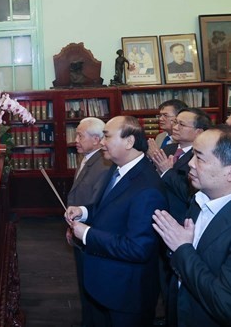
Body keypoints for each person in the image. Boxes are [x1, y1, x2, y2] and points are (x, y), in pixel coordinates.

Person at [152, 126, 231, 327]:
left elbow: (228, 306)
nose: (190, 165)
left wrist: (181, 249)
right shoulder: (202, 197)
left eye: (200, 158)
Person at [66, 116, 168, 327]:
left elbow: (138, 248)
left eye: (107, 136)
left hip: (126, 292)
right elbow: (109, 208)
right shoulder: (118, 167)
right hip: (108, 282)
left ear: (129, 142)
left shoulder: (147, 187)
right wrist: (83, 211)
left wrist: (87, 234)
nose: (102, 143)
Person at [65, 117, 113, 327]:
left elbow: (96, 205)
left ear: (96, 140)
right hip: (78, 228)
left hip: (90, 235)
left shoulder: (102, 165)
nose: (75, 139)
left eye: (80, 135)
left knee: (93, 286)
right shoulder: (87, 158)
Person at [150, 107, 212, 222]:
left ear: (198, 132)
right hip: (156, 214)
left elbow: (190, 195)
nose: (175, 127)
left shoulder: (202, 157)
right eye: (175, 122)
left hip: (181, 219)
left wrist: (167, 171)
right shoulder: (168, 148)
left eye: (181, 125)